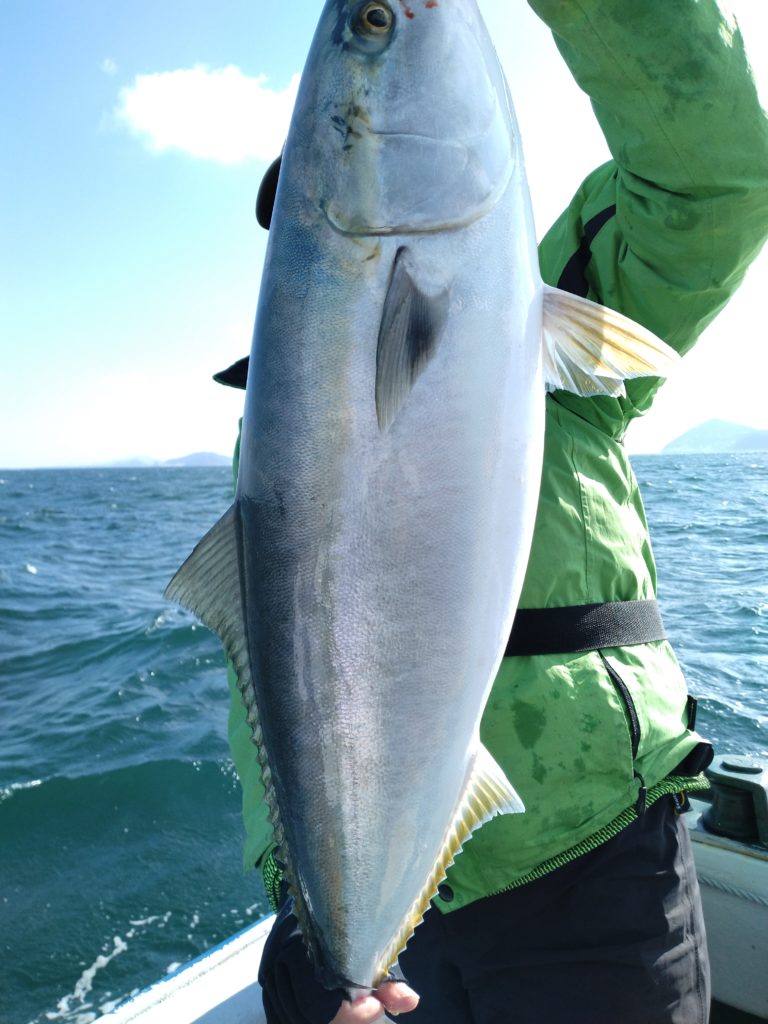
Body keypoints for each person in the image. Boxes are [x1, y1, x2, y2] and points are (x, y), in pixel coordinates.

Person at [214, 1, 768, 1021]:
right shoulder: (273, 434)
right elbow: (290, 692)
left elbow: (715, 174)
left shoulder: (564, 292)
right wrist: (310, 917)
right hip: (356, 901)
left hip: (583, 869)